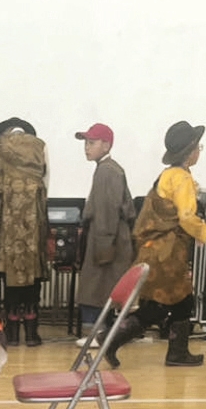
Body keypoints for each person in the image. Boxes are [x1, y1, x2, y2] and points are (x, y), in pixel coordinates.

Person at [114, 120, 206, 368]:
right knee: (160, 306)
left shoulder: (166, 175)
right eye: (198, 147)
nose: (199, 152)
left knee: (178, 301)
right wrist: (203, 232)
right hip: (169, 253)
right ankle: (113, 340)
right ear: (190, 152)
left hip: (154, 250)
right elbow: (186, 216)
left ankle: (177, 353)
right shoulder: (182, 179)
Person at [0, 117, 49, 345]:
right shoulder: (40, 145)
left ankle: (11, 333)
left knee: (9, 269)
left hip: (8, 214)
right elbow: (46, 180)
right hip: (33, 214)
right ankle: (31, 333)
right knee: (33, 269)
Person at [74, 122, 135, 330]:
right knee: (102, 288)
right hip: (109, 236)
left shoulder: (106, 171)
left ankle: (95, 333)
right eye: (86, 143)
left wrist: (103, 246)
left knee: (96, 288)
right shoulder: (108, 168)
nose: (86, 147)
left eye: (92, 143)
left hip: (106, 238)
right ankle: (102, 332)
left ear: (106, 145)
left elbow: (107, 211)